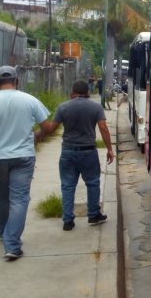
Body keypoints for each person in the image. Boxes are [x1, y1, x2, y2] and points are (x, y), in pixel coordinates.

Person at [0, 65, 50, 261]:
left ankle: (1, 230)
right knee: (19, 199)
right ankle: (13, 245)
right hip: (23, 156)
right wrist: (36, 137)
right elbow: (47, 126)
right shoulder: (29, 100)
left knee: (1, 196)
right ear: (16, 81)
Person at [38, 80, 114, 231]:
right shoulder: (96, 107)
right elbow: (103, 128)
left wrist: (37, 135)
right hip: (88, 151)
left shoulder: (63, 107)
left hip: (68, 151)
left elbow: (52, 129)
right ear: (87, 92)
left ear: (73, 91)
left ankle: (68, 220)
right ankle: (93, 214)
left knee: (67, 186)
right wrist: (109, 149)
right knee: (92, 183)